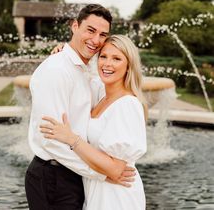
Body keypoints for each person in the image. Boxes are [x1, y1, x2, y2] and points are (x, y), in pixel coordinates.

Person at [25, 4, 136, 210]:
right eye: (90, 30)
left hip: (75, 174)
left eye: (103, 34)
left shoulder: (85, 71)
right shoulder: (56, 70)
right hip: (54, 177)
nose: (96, 40)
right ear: (74, 26)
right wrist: (103, 174)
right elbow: (51, 141)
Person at [40, 34, 147, 210]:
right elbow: (76, 74)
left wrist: (71, 139)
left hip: (117, 195)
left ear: (129, 66)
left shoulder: (127, 104)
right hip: (97, 189)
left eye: (117, 59)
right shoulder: (102, 95)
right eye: (103, 56)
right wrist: (62, 57)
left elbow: (115, 169)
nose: (107, 64)